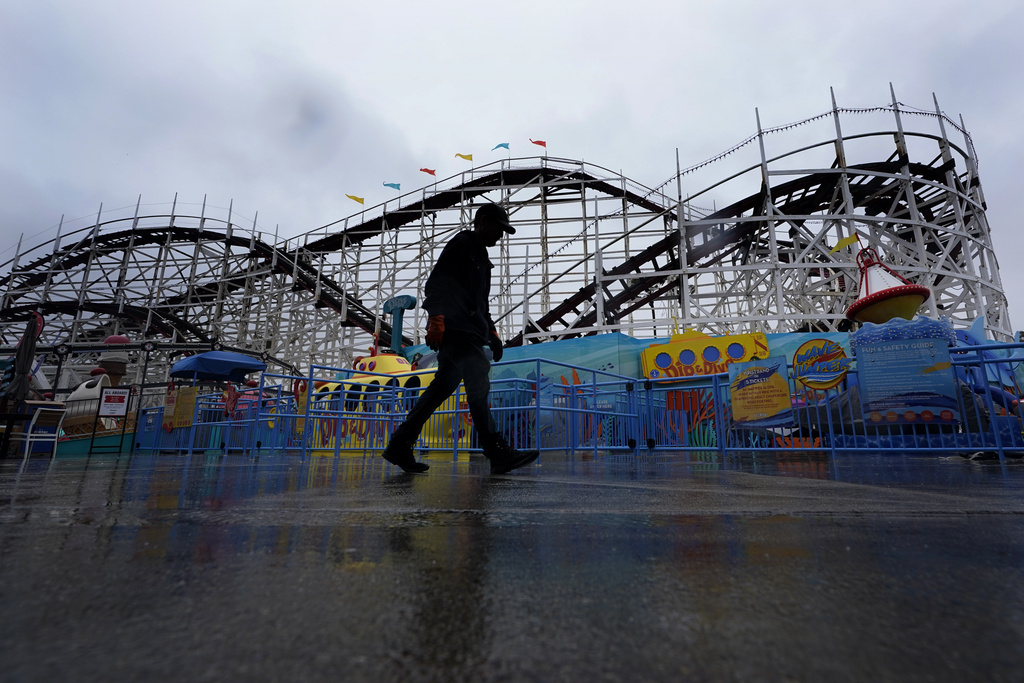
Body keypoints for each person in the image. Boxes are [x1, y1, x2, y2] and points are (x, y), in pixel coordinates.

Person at [381, 203, 539, 474]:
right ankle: (497, 451)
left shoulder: (484, 262)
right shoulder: (462, 244)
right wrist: (436, 318)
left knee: (438, 391)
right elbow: (437, 283)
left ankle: (399, 444)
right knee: (478, 383)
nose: (500, 236)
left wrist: (492, 332)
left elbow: (481, 304)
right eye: (499, 229)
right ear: (484, 221)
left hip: (469, 331)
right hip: (457, 331)